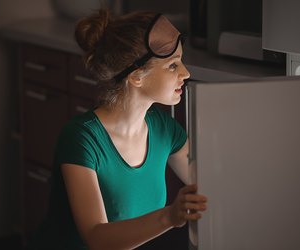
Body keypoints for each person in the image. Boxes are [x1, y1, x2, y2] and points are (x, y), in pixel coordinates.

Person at [25, 8, 207, 250]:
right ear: (136, 76)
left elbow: (210, 184)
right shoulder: (82, 138)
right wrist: (169, 216)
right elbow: (97, 237)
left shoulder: (164, 130)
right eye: (173, 66)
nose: (186, 73)